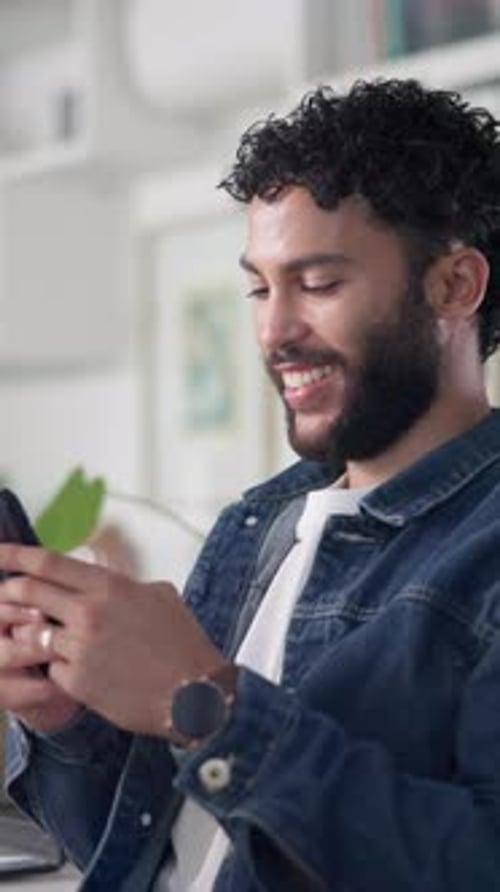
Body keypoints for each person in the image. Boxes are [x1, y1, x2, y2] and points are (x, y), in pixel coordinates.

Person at [1, 77, 500, 892]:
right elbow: (151, 850)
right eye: (261, 288)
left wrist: (207, 705)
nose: (274, 332)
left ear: (454, 287)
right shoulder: (258, 526)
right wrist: (61, 722)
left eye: (320, 284)